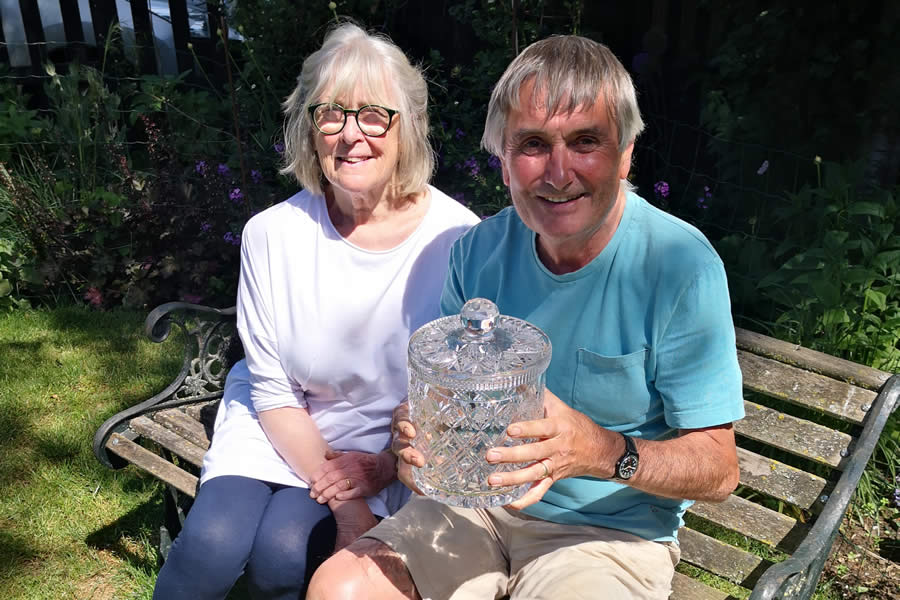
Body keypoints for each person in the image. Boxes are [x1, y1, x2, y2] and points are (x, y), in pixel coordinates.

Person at [306, 34, 745, 600]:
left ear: (627, 152)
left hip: (606, 534)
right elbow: (438, 405)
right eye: (533, 144)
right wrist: (410, 443)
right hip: (471, 510)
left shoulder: (678, 266)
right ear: (504, 159)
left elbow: (719, 469)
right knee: (340, 588)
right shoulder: (476, 252)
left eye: (586, 141)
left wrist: (601, 450)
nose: (558, 173)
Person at [152, 23, 479, 600]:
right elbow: (272, 390)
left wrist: (383, 467)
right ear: (311, 130)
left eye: (373, 114)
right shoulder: (272, 234)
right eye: (331, 114)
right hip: (274, 421)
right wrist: (350, 507)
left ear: (408, 126)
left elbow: (458, 395)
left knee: (282, 555)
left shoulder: (459, 241)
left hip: (382, 448)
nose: (351, 135)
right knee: (211, 545)